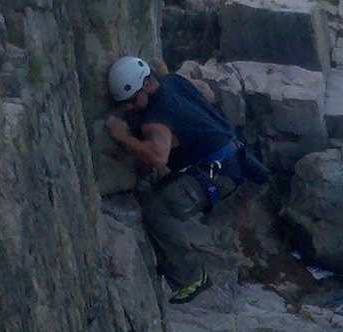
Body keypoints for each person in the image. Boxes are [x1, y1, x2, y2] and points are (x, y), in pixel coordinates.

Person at [105, 56, 262, 304]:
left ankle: (191, 277)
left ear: (146, 86)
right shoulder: (173, 81)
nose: (132, 107)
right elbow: (207, 93)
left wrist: (122, 137)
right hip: (237, 158)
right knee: (158, 190)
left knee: (157, 210)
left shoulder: (153, 118)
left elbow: (157, 156)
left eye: (133, 100)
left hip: (217, 175)